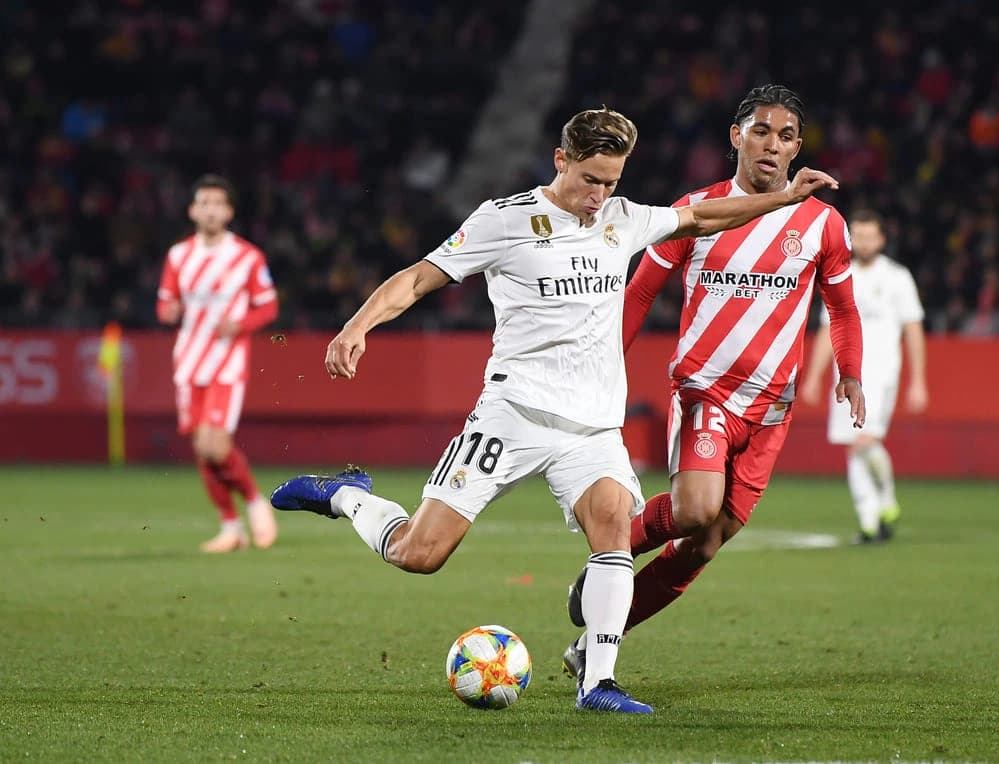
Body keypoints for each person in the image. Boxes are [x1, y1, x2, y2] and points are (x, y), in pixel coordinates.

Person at [267, 107, 840, 714]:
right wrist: (357, 326)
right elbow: (416, 280)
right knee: (420, 554)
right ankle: (346, 495)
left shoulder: (622, 220)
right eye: (590, 179)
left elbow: (701, 216)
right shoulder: (504, 221)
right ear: (560, 160)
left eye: (612, 182)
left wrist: (780, 201)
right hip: (512, 415)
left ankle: (599, 683)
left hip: (590, 427)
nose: (599, 196)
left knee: (614, 528)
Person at [559, 85, 866, 681]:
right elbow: (641, 289)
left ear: (798, 147)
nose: (771, 146)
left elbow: (843, 308)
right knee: (696, 511)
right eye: (760, 131)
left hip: (770, 410)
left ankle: (600, 631)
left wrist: (850, 373)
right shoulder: (697, 210)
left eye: (784, 136)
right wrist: (603, 361)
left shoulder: (823, 224)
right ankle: (611, 553)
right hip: (706, 392)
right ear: (736, 137)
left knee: (703, 544)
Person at [156, 174, 280, 553]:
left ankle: (255, 500)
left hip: (227, 361)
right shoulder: (178, 256)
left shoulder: (247, 257)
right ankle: (230, 527)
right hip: (189, 361)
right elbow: (164, 304)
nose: (210, 209)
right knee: (202, 449)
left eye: (217, 203)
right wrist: (170, 311)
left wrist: (240, 324)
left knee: (215, 445)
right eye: (203, 202)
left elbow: (269, 306)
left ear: (229, 211)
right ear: (193, 210)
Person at [800, 208, 927, 543]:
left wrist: (918, 380)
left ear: (882, 239)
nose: (864, 242)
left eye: (870, 235)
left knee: (864, 441)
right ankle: (870, 520)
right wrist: (813, 376)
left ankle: (885, 500)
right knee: (851, 445)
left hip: (884, 370)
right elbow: (829, 330)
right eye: (857, 235)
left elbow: (913, 328)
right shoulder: (840, 275)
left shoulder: (898, 278)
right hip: (847, 373)